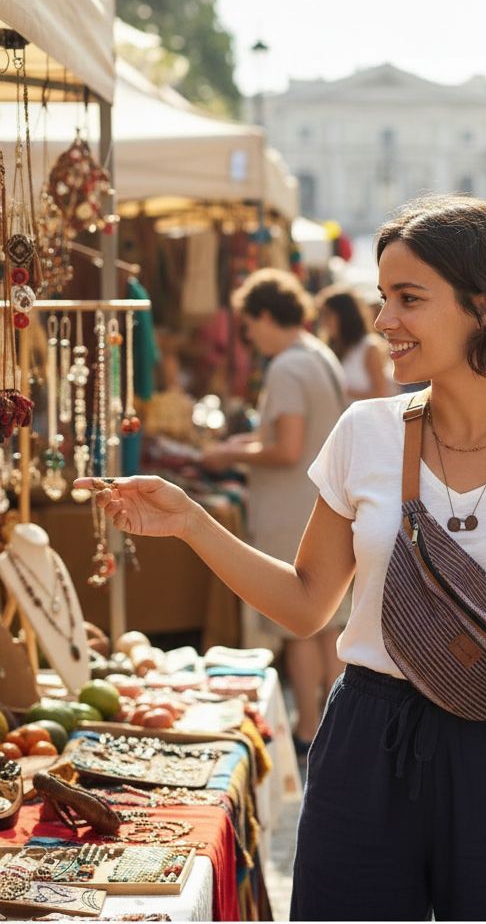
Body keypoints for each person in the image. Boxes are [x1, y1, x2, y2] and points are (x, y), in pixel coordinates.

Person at [82, 196, 486, 922]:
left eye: (409, 299)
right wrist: (191, 523)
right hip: (370, 742)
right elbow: (308, 601)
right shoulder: (363, 433)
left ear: (485, 307)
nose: (382, 322)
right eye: (382, 298)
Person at [200, 268, 349, 756]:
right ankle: (336, 721)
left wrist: (230, 455)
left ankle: (309, 726)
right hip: (319, 501)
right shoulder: (318, 354)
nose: (249, 336)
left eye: (249, 325)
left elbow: (285, 448)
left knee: (298, 625)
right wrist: (247, 443)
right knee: (329, 622)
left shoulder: (287, 365)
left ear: (266, 316)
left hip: (291, 507)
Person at [315, 284, 396, 400]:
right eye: (322, 316)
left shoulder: (370, 347)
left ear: (344, 316)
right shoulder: (330, 349)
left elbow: (381, 394)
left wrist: (340, 390)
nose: (323, 322)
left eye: (328, 315)